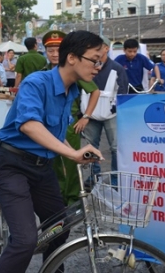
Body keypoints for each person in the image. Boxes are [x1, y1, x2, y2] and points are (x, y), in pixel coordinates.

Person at [0, 31, 104, 273]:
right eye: (95, 60)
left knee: (60, 226)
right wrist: (71, 155)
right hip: (12, 164)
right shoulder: (36, 83)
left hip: (42, 168)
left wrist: (77, 151)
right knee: (25, 240)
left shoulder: (70, 89)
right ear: (72, 58)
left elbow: (55, 129)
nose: (97, 67)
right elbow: (30, 125)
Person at [43, 30, 100, 205]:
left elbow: (95, 91)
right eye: (50, 50)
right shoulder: (43, 74)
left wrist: (86, 117)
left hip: (70, 123)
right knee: (54, 162)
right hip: (49, 123)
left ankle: (73, 197)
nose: (54, 54)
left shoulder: (76, 72)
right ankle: (58, 194)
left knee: (72, 161)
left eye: (58, 50)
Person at [83, 36, 128, 174]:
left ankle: (115, 180)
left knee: (115, 147)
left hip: (111, 113)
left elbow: (123, 91)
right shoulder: (86, 66)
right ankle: (93, 177)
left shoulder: (117, 68)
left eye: (98, 47)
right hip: (89, 113)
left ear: (107, 48)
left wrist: (117, 109)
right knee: (91, 147)